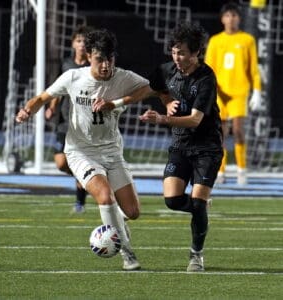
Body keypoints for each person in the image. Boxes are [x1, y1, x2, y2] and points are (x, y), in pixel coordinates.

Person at [16, 28, 151, 271]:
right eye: (100, 59)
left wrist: (117, 103)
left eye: (109, 59)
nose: (105, 65)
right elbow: (43, 97)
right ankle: (127, 254)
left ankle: (118, 224)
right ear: (89, 56)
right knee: (104, 196)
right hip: (80, 152)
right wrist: (27, 110)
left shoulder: (123, 77)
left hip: (112, 152)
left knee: (132, 212)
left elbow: (148, 88)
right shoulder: (72, 77)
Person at [93, 22, 223, 272]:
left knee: (196, 203)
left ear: (196, 53)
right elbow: (146, 91)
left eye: (182, 52)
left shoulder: (206, 77)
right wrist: (116, 103)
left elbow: (196, 120)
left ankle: (196, 255)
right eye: (174, 51)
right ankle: (200, 208)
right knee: (173, 201)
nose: (177, 57)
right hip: (180, 144)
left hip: (207, 147)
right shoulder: (166, 70)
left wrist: (161, 118)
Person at [205, 1, 262, 185]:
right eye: (228, 15)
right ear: (222, 19)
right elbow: (209, 69)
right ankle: (220, 171)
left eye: (234, 15)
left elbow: (253, 68)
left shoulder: (247, 40)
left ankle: (241, 169)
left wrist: (257, 91)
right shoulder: (215, 40)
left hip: (239, 92)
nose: (231, 19)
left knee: (238, 130)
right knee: (220, 133)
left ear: (239, 18)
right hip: (220, 93)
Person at [45, 25, 90, 213]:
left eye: (85, 42)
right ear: (73, 43)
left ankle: (80, 202)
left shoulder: (93, 66)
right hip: (64, 121)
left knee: (80, 161)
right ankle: (88, 177)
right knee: (61, 163)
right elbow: (57, 90)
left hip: (85, 123)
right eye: (79, 41)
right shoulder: (65, 65)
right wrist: (52, 107)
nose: (81, 45)